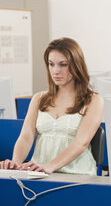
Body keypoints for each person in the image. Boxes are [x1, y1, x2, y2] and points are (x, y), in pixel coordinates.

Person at [0, 37, 104, 175]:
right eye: (51, 64)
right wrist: (16, 163)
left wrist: (49, 166)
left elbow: (81, 143)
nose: (55, 71)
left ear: (77, 65)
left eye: (63, 64)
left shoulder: (93, 100)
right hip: (39, 174)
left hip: (77, 174)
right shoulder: (39, 98)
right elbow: (26, 137)